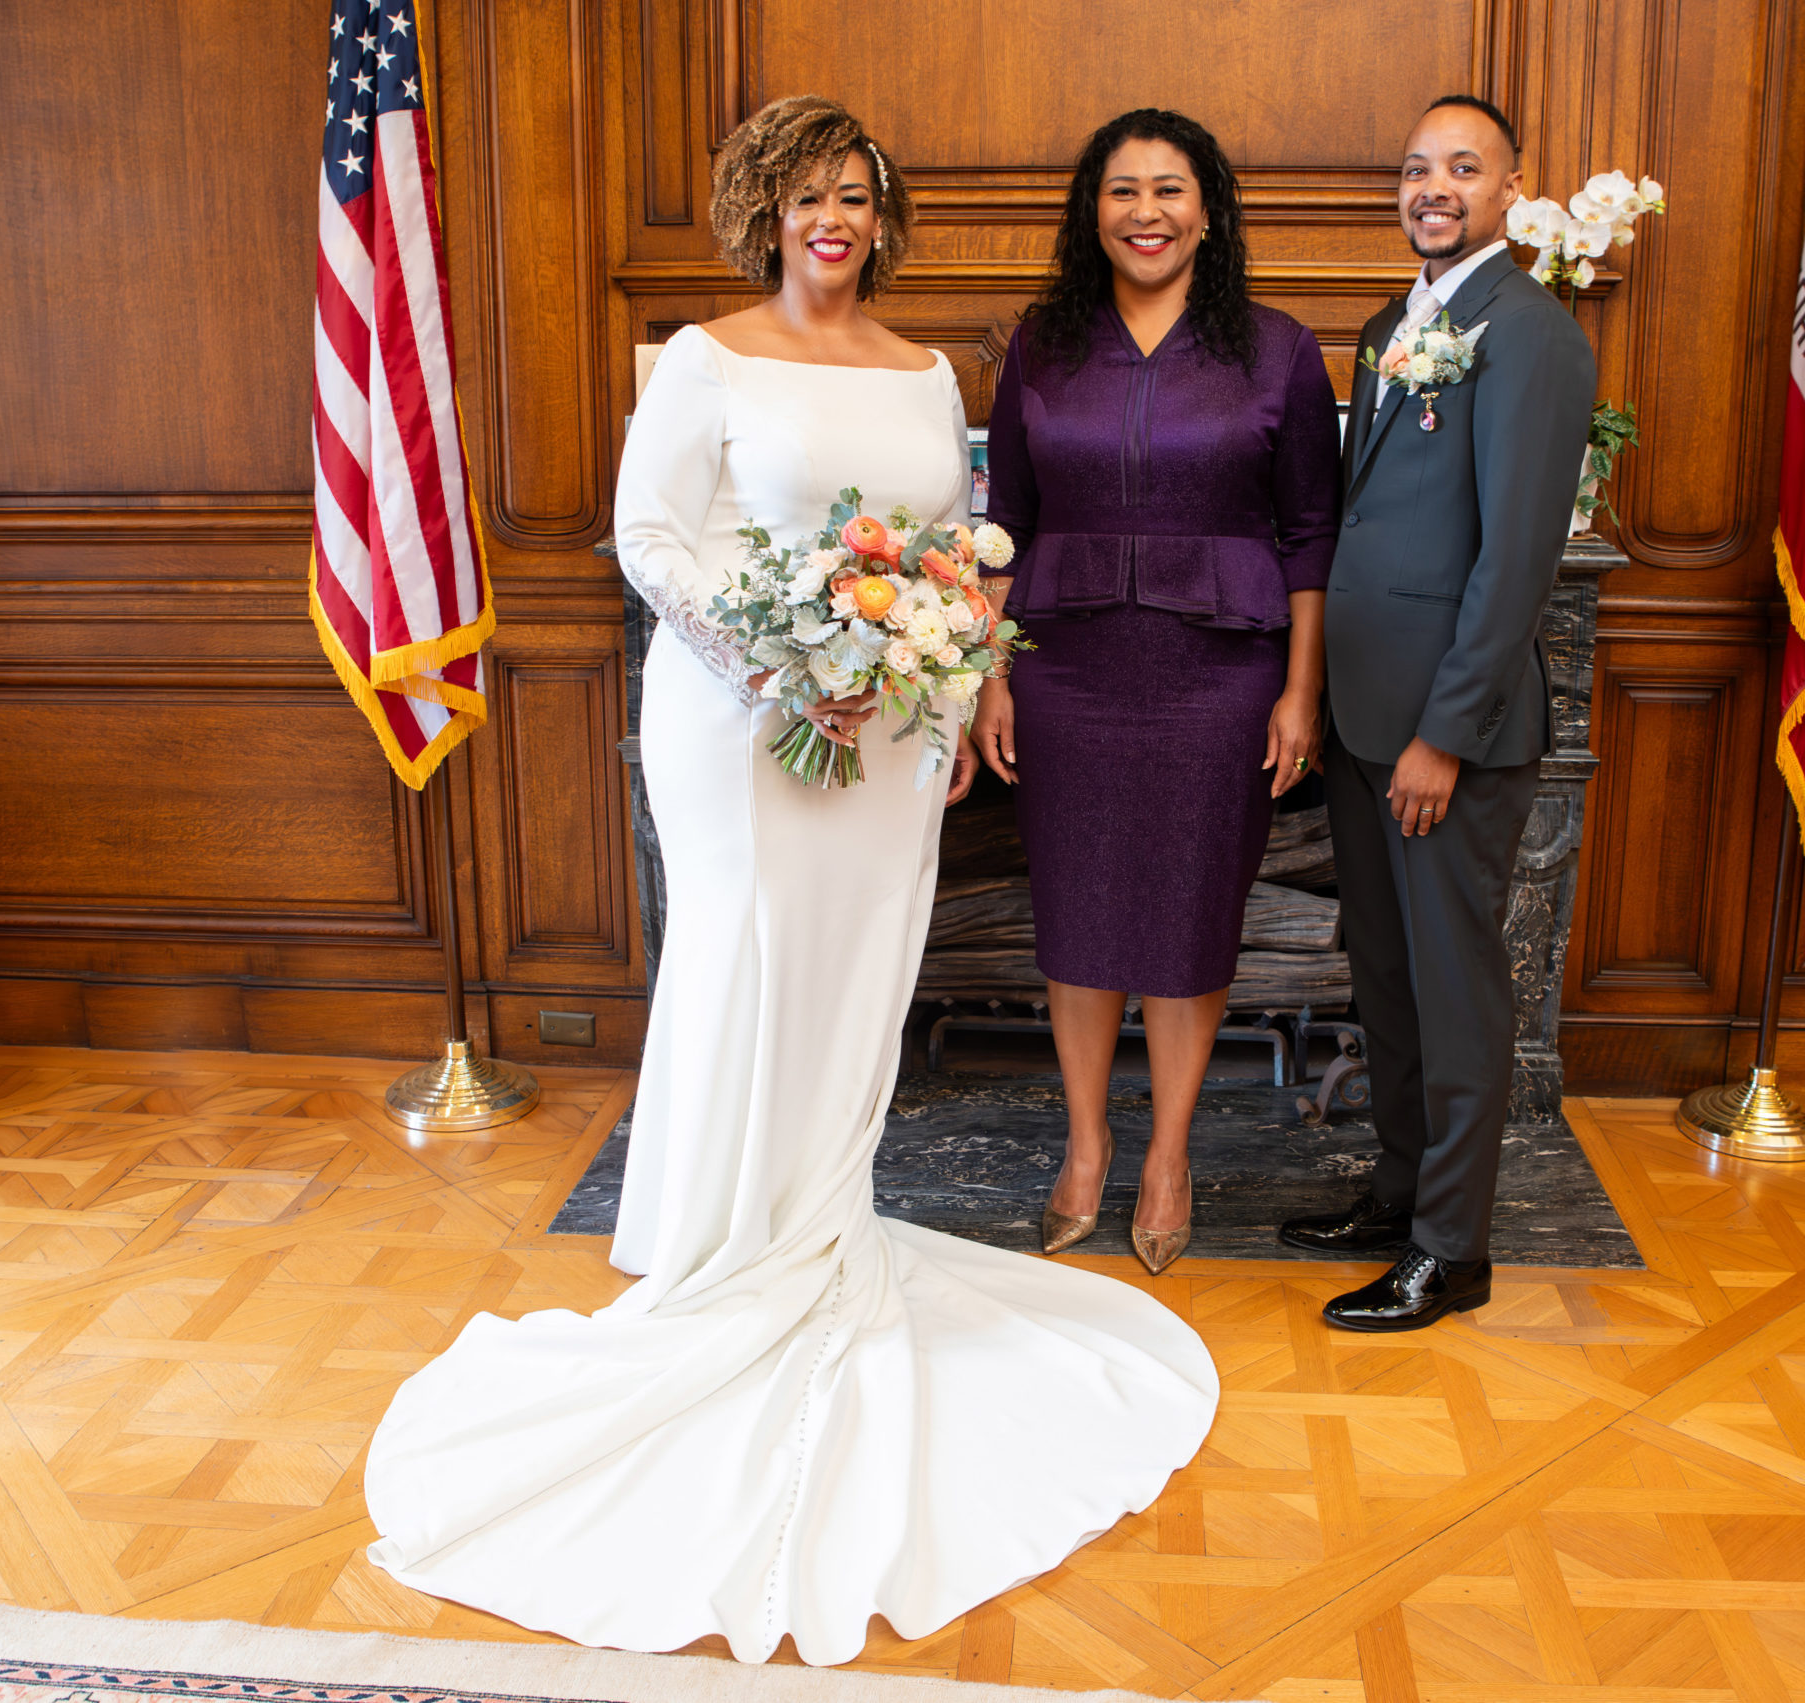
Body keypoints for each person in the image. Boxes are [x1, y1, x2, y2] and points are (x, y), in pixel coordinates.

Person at [362, 96, 1218, 1664]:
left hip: (888, 726)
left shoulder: (923, 369)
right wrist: (773, 662)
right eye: (808, 196)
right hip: (742, 722)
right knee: (746, 957)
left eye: (856, 196)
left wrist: (947, 697)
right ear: (765, 211)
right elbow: (650, 536)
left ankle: (820, 1223)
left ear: (881, 217)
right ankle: (720, 1245)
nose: (834, 219)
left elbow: (960, 544)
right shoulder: (706, 358)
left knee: (861, 968)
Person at [970, 109, 1338, 1276]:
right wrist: (988, 677)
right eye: (1122, 189)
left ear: (1209, 209)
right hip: (1064, 667)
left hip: (1219, 677)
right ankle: (1086, 1144)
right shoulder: (1041, 341)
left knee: (1186, 917)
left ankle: (1168, 1152)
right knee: (1076, 915)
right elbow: (1001, 526)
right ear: (1093, 211)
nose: (1145, 211)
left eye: (1169, 189)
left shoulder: (1276, 347)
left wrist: (1299, 690)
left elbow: (1312, 535)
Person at [1277, 96, 1595, 1330]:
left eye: (1463, 167)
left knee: (1455, 988)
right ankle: (1400, 1192)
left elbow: (1515, 559)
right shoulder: (1387, 325)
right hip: (1363, 719)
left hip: (1442, 737)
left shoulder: (1532, 335)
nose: (1434, 186)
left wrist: (1442, 735)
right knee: (1389, 978)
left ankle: (1451, 1250)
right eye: (1416, 167)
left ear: (1513, 188)